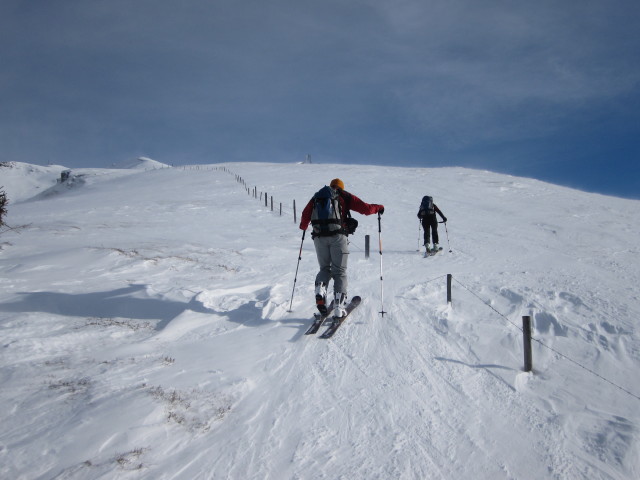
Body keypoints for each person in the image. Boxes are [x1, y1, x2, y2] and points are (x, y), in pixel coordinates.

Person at [299, 178, 384, 319]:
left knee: (324, 269)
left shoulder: (317, 197)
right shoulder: (344, 196)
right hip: (338, 237)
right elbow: (366, 209)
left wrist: (303, 227)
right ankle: (339, 307)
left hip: (319, 237)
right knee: (339, 272)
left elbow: (305, 215)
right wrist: (379, 207)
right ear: (341, 188)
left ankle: (321, 289)